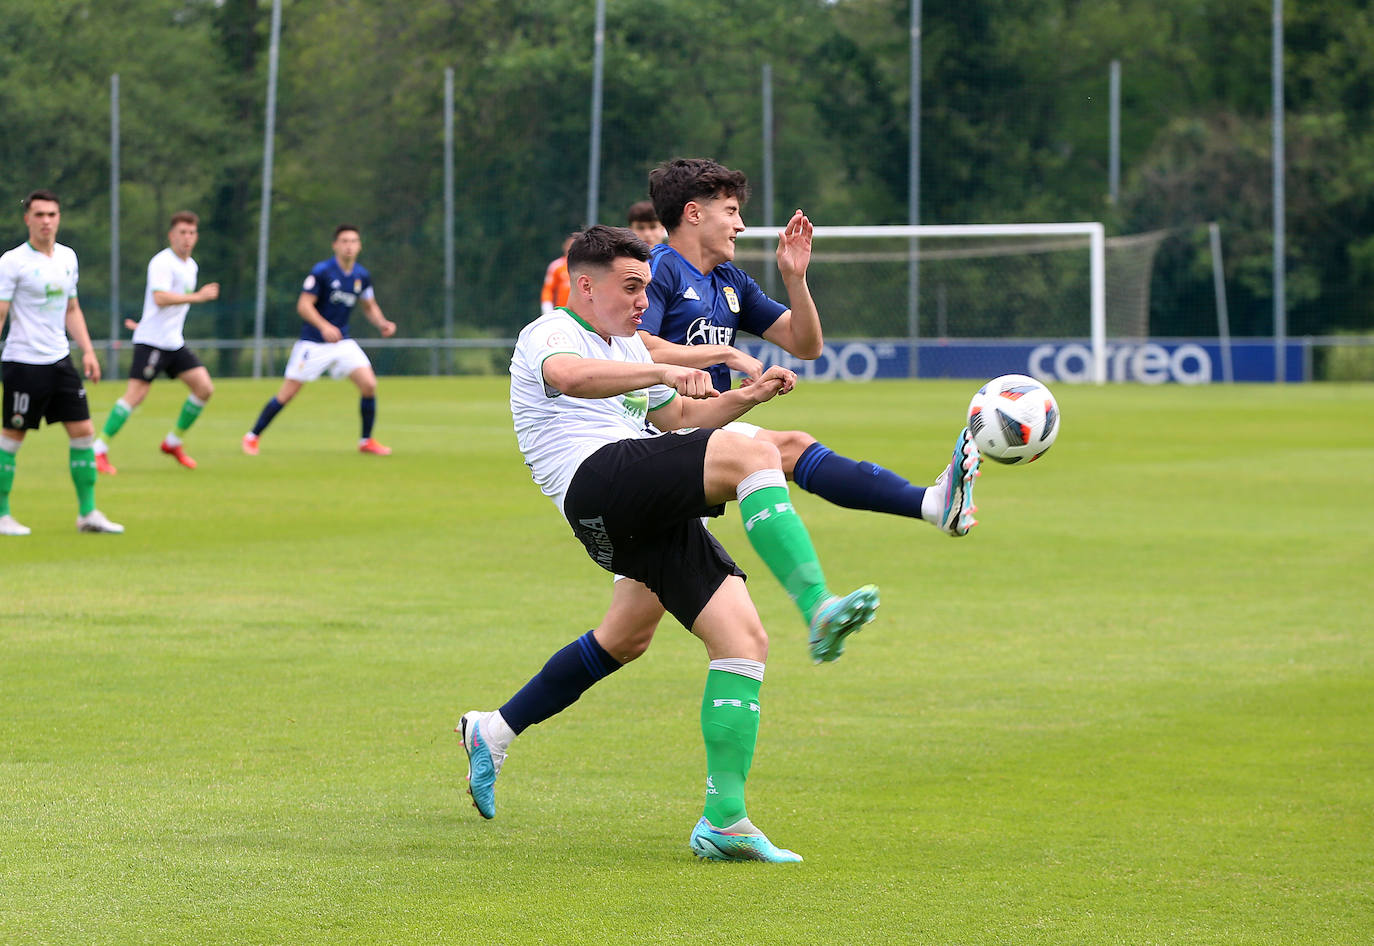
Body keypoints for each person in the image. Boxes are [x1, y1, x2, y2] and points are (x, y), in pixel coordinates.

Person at [459, 226, 879, 862]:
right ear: (585, 285)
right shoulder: (549, 333)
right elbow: (570, 378)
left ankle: (721, 818)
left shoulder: (627, 344)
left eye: (646, 288)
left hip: (634, 506)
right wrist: (663, 367)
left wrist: (743, 396)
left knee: (730, 643)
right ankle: (818, 603)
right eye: (630, 288)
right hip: (595, 484)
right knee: (758, 454)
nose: (639, 301)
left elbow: (681, 419)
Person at [0, 190, 123, 535]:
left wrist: (86, 350)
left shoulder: (68, 257)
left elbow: (72, 309)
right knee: (12, 436)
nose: (46, 221)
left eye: (52, 214)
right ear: (27, 219)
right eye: (39, 215)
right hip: (23, 362)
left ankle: (88, 514)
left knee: (83, 432)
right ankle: (2, 514)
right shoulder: (12, 262)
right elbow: (1, 313)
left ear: (59, 218)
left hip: (59, 361)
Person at [242, 224, 397, 456]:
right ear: (335, 245)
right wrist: (324, 326)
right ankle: (252, 437)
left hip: (342, 343)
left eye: (353, 241)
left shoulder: (361, 276)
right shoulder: (323, 271)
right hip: (313, 344)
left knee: (369, 385)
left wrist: (382, 323)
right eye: (344, 241)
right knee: (287, 393)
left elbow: (369, 305)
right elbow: (303, 306)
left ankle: (366, 441)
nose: (349, 246)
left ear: (359, 246)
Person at [93, 211, 219, 473]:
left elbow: (163, 307)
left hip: (173, 342)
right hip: (152, 342)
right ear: (171, 235)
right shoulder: (162, 262)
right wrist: (199, 297)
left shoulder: (191, 266)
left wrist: (145, 320)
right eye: (182, 232)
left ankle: (172, 443)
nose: (187, 238)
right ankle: (98, 450)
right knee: (136, 395)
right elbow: (160, 298)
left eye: (192, 233)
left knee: (204, 388)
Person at [538, 232, 577, 315]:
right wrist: (547, 308)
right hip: (562, 312)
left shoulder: (586, 267)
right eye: (569, 245)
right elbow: (548, 290)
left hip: (582, 314)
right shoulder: (556, 266)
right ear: (564, 246)